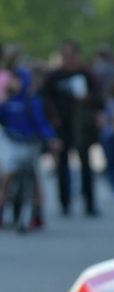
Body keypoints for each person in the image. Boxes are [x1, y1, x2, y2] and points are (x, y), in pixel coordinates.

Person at [42, 40, 102, 217]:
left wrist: (87, 99)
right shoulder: (54, 76)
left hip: (82, 127)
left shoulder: (86, 74)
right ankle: (65, 203)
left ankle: (89, 203)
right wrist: (53, 118)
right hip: (62, 126)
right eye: (65, 56)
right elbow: (46, 99)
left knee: (86, 164)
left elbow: (99, 99)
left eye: (71, 55)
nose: (68, 59)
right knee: (62, 164)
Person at [0, 66, 59, 232]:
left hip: (30, 145)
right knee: (6, 179)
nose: (13, 83)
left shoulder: (31, 101)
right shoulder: (9, 102)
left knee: (35, 179)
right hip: (12, 144)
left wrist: (51, 138)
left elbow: (41, 124)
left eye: (16, 79)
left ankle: (38, 214)